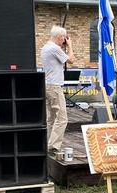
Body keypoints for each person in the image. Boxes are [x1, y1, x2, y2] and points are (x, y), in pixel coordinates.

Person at [41, 25, 75, 154]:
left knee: (51, 118)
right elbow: (71, 60)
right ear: (59, 37)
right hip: (54, 86)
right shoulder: (54, 48)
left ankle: (47, 143)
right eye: (63, 38)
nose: (64, 40)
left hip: (47, 85)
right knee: (62, 118)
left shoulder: (46, 47)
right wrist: (70, 46)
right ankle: (53, 146)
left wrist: (63, 47)